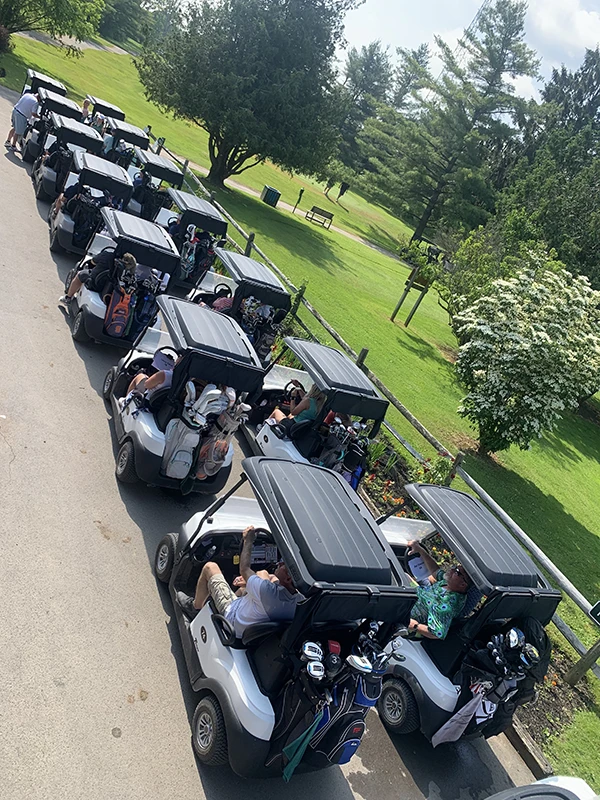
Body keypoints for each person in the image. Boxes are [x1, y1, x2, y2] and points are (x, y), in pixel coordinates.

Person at [176, 525, 302, 636]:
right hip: (250, 625)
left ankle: (195, 607)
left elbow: (244, 569)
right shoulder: (298, 600)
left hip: (232, 617)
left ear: (288, 578)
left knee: (210, 567)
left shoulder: (267, 593)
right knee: (243, 588)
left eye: (283, 564)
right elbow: (272, 581)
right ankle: (218, 597)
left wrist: (248, 541)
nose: (279, 564)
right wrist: (251, 581)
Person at [406, 540, 472, 640]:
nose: (452, 569)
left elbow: (437, 633)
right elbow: (435, 570)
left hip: (406, 614)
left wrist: (415, 626)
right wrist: (420, 550)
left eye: (457, 571)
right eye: (454, 567)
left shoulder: (445, 605)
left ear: (463, 584)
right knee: (403, 576)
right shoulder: (449, 583)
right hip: (416, 594)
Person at [59, 251, 137, 305]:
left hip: (95, 283)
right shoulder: (128, 272)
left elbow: (93, 262)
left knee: (80, 274)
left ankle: (68, 298)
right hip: (110, 290)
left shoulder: (107, 255)